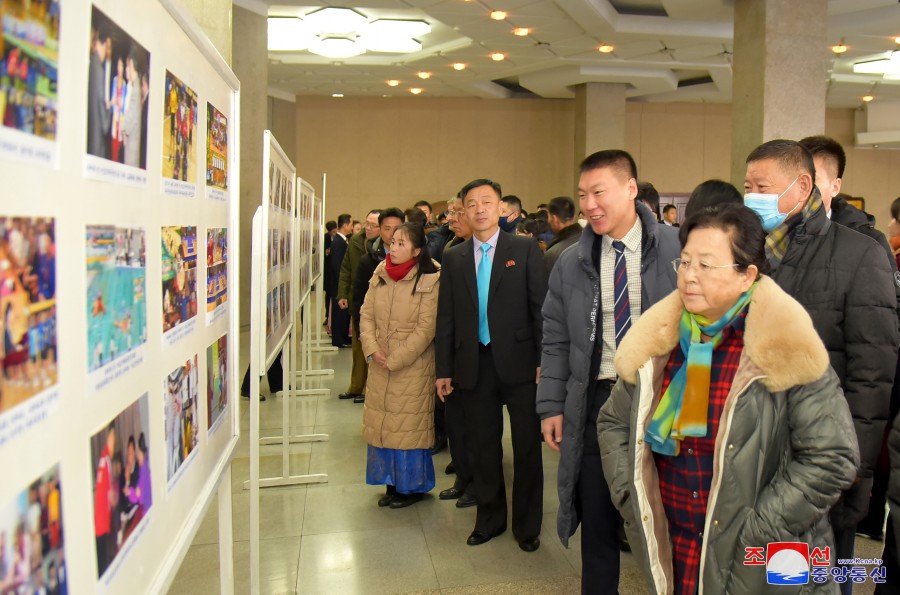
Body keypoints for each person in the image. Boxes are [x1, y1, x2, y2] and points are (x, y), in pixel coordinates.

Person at [599, 204, 860, 594]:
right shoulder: (661, 342)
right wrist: (631, 494)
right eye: (684, 262)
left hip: (757, 552)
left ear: (747, 275)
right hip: (677, 544)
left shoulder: (785, 345)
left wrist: (758, 527)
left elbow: (833, 457)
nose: (689, 277)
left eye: (706, 266)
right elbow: (613, 423)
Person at [743, 139, 898, 585]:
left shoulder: (859, 255)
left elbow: (872, 379)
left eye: (762, 186)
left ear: (802, 185)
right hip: (755, 453)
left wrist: (853, 470)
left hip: (820, 458)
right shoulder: (752, 253)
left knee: (814, 578)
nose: (752, 196)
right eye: (747, 185)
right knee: (762, 575)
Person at [538, 149, 679, 593]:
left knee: (671, 519)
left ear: (631, 189)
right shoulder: (570, 262)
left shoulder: (677, 249)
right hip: (598, 402)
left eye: (599, 192)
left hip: (665, 402)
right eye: (583, 195)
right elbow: (556, 340)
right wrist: (550, 407)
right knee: (596, 519)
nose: (589, 205)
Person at [435, 178, 546, 552]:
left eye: (487, 201)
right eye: (471, 203)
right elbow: (446, 317)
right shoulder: (454, 257)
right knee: (483, 447)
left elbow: (541, 310)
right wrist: (443, 369)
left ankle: (527, 526)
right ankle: (490, 518)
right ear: (463, 211)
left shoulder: (527, 248)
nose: (479, 208)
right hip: (474, 364)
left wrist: (545, 361)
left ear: (501, 208)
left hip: (522, 365)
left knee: (528, 447)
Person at [360, 223, 441, 508]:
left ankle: (412, 487)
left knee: (408, 425)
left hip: (412, 365)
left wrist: (394, 359)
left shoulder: (431, 277)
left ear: (417, 251)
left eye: (401, 244)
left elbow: (426, 328)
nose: (393, 249)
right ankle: (391, 484)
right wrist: (372, 349)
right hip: (380, 361)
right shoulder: (380, 272)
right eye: (392, 242)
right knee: (383, 423)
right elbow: (366, 314)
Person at [352, 209, 406, 403]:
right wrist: (364, 337)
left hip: (406, 341)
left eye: (397, 228)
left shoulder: (420, 262)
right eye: (387, 228)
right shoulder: (368, 261)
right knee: (378, 395)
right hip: (377, 336)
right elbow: (359, 302)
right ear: (380, 230)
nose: (392, 234)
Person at [337, 209, 381, 401]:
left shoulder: (384, 247)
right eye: (367, 223)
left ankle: (368, 390)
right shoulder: (355, 242)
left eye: (374, 225)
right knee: (358, 346)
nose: (369, 228)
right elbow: (346, 269)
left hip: (377, 302)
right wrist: (342, 294)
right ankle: (356, 386)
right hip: (358, 299)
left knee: (373, 348)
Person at [328, 214, 353, 347]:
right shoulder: (338, 242)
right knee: (338, 314)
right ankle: (338, 340)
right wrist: (343, 282)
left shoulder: (342, 241)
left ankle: (343, 337)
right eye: (351, 224)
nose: (352, 227)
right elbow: (338, 266)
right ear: (345, 225)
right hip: (338, 285)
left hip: (340, 284)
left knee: (343, 314)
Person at [94, 424, 116, 575]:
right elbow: (108, 494)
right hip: (101, 520)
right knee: (101, 559)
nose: (114, 444)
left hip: (102, 519)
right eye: (113, 440)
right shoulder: (106, 460)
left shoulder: (105, 459)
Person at [87, 29, 112, 159]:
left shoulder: (91, 65)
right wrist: (108, 108)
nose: (105, 53)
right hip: (97, 139)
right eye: (105, 48)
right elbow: (104, 123)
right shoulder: (99, 71)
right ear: (98, 44)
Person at [543, 196, 581, 273]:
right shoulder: (590, 242)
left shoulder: (553, 254)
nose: (548, 221)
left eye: (548, 216)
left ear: (554, 218)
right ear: (573, 217)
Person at [122, 50, 142, 169]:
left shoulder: (136, 89)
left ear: (131, 65)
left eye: (127, 66)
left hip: (132, 144)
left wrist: (123, 128)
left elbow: (132, 116)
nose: (126, 69)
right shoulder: (134, 86)